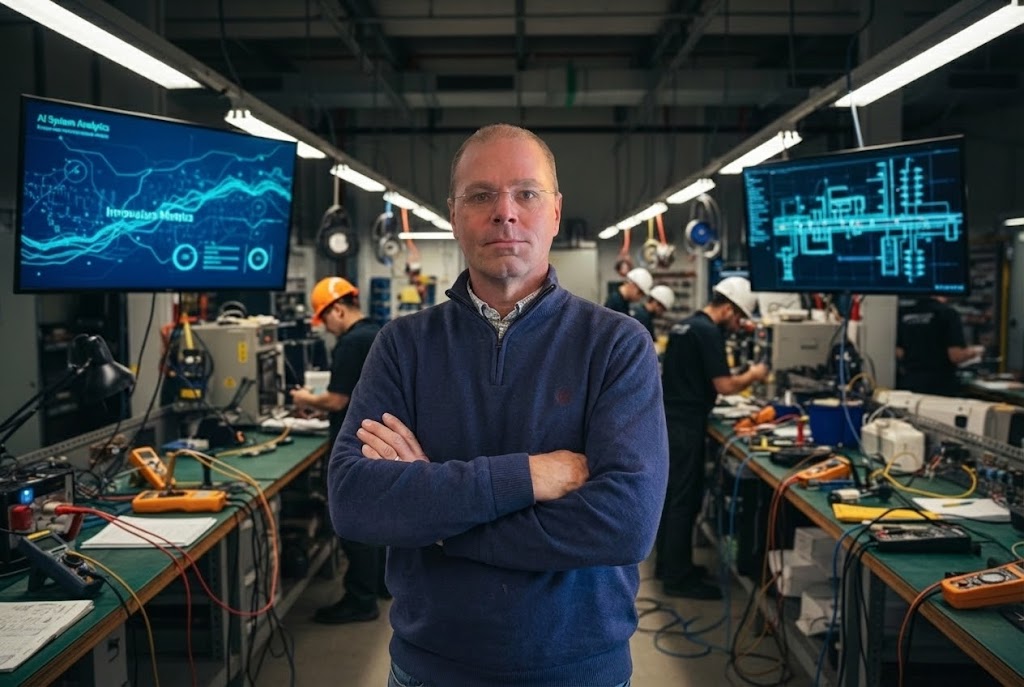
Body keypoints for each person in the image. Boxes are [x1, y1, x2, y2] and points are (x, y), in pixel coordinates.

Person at [327, 124, 668, 687]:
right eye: (481, 195)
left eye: (526, 194)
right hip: (429, 670)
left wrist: (437, 521)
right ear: (455, 215)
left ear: (555, 213)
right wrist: (530, 475)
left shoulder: (616, 344)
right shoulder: (403, 346)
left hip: (581, 672)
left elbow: (624, 524)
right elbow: (354, 501)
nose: (504, 212)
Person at [657, 276, 769, 599]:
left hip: (670, 419)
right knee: (683, 499)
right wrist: (755, 375)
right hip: (686, 424)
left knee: (672, 497)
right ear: (729, 309)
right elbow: (724, 385)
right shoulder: (708, 332)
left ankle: (670, 566)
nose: (737, 325)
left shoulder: (685, 325)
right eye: (739, 318)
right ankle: (677, 579)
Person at [290, 277, 386, 624]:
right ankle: (379, 585)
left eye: (324, 318)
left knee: (350, 521)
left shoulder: (351, 342)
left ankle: (360, 600)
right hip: (377, 441)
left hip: (354, 447)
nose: (326, 328)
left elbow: (337, 399)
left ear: (338, 310)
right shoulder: (378, 333)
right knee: (376, 519)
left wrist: (305, 399)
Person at [896, 295, 983, 397]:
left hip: (910, 383)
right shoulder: (948, 313)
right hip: (940, 386)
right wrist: (976, 351)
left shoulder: (904, 313)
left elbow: (899, 352)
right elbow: (955, 356)